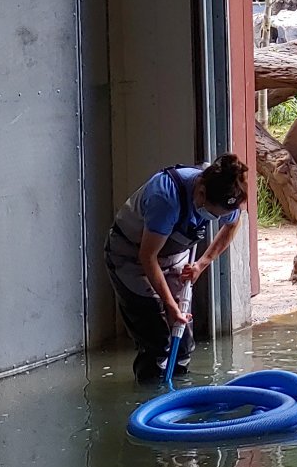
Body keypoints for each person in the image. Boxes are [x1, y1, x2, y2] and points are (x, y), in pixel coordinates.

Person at [105, 153, 248, 383]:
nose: (214, 219)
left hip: (172, 257)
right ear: (200, 192)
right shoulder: (166, 196)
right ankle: (150, 398)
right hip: (131, 258)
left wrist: (202, 263)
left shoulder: (227, 193)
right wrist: (170, 305)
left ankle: (181, 389)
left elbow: (232, 225)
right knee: (156, 337)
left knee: (182, 337)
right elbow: (147, 256)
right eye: (212, 215)